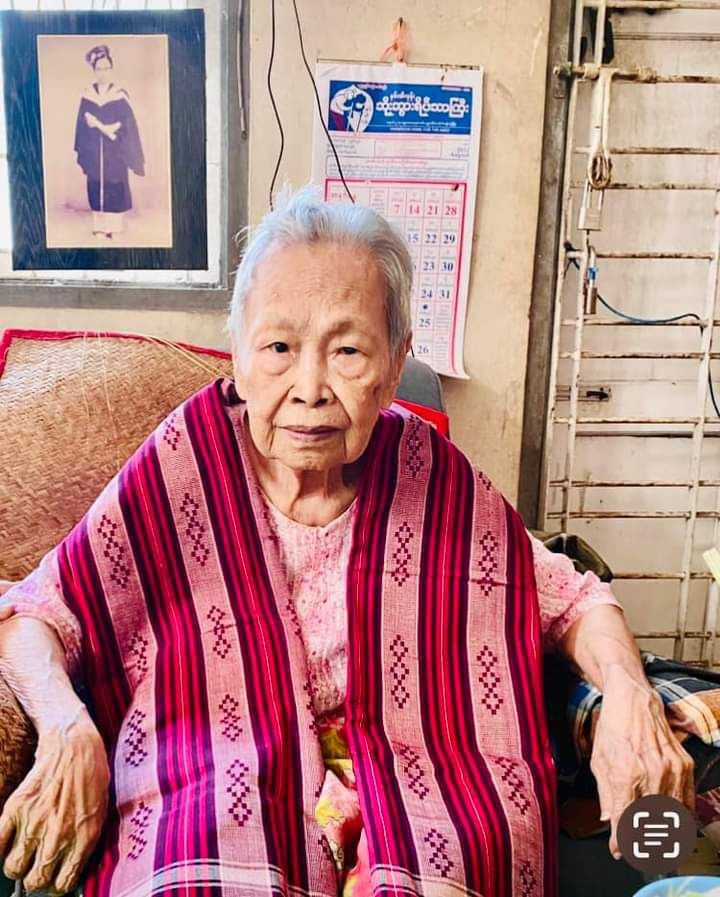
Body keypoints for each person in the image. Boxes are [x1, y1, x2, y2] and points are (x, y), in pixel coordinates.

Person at [0, 190, 694, 897]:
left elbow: (574, 598)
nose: (310, 388)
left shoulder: (436, 479)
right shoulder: (183, 466)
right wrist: (64, 727)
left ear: (395, 365)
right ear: (238, 354)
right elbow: (36, 610)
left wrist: (629, 694)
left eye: (348, 351)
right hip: (213, 775)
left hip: (428, 785)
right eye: (279, 348)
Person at [73, 45, 145, 240]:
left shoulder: (119, 94)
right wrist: (89, 125)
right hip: (94, 149)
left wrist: (115, 127)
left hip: (116, 150)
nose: (102, 73)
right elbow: (81, 124)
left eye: (106, 68)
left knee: (115, 184)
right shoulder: (87, 95)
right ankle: (99, 227)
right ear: (94, 70)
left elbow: (128, 122)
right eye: (99, 69)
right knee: (96, 184)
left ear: (111, 69)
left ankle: (115, 227)